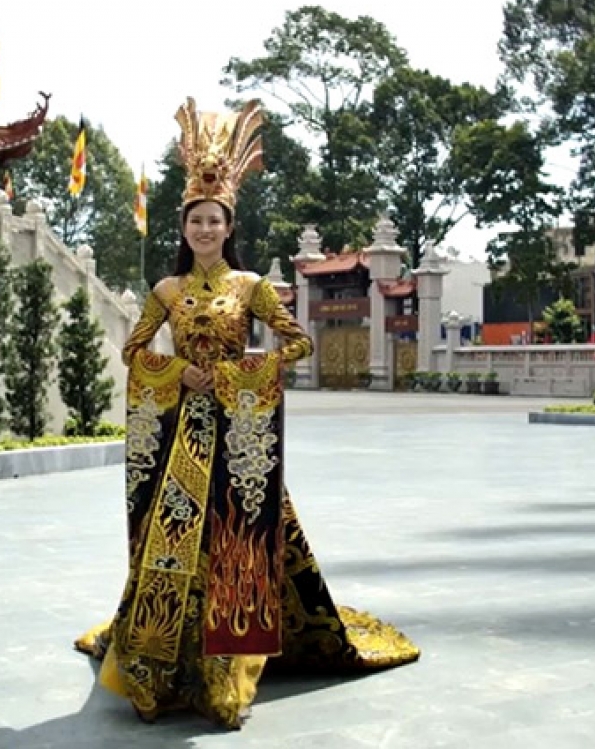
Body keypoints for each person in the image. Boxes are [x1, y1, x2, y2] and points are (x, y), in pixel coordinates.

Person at [73, 97, 420, 730]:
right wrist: (180, 372)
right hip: (183, 437)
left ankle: (227, 668)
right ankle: (160, 666)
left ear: (229, 226)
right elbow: (131, 350)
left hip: (239, 436)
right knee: (172, 550)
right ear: (184, 227)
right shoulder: (166, 292)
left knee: (241, 544)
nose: (204, 230)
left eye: (214, 221)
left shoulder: (251, 286)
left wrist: (232, 373)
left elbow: (297, 342)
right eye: (195, 221)